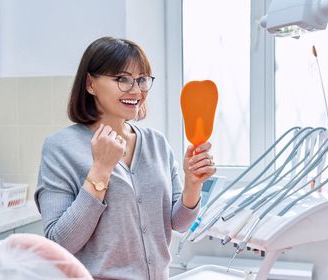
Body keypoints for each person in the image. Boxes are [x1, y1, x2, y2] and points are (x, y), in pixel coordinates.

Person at [34, 37, 216, 280]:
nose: (136, 90)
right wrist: (100, 170)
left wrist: (193, 184)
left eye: (142, 79)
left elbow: (178, 223)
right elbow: (59, 244)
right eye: (122, 79)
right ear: (90, 83)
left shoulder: (156, 142)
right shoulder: (60, 148)